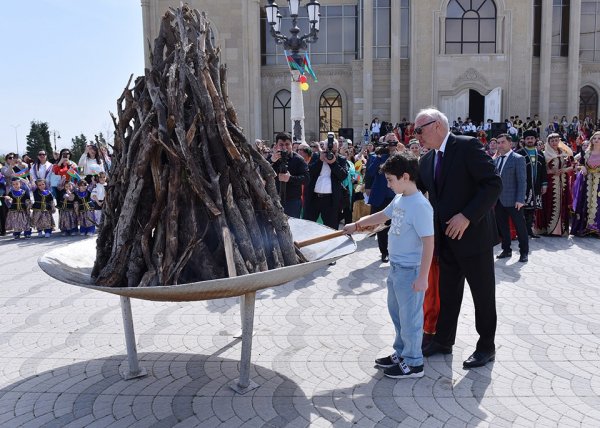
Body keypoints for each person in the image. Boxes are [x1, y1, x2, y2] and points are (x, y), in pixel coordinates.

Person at [415, 108, 502, 369]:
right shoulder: (426, 161)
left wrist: (467, 216)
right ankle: (443, 340)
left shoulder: (467, 146)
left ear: (437, 125)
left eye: (420, 130)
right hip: (445, 241)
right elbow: (416, 194)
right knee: (448, 293)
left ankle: (486, 345)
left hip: (473, 238)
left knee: (482, 294)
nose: (416, 135)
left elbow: (493, 184)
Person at [344, 153, 434, 378]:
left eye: (390, 180)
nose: (388, 184)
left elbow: (429, 242)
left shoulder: (421, 205)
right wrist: (356, 225)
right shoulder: (400, 198)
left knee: (411, 319)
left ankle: (414, 363)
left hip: (411, 271)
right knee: (397, 315)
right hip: (395, 269)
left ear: (405, 177)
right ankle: (402, 352)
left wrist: (423, 277)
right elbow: (382, 216)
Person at [493, 134, 529, 262]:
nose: (500, 145)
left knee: (520, 227)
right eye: (498, 142)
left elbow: (522, 180)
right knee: (503, 227)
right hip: (499, 201)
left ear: (510, 144)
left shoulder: (518, 159)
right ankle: (506, 250)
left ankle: (524, 252)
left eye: (503, 142)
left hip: (514, 201)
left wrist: (520, 199)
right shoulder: (496, 160)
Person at [304, 133, 349, 229]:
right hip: (314, 197)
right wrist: (320, 161)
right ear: (323, 147)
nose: (330, 152)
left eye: (333, 150)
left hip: (330, 199)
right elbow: (309, 172)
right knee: (308, 225)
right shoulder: (316, 156)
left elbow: (343, 176)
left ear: (336, 149)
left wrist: (333, 163)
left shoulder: (341, 159)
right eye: (328, 149)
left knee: (331, 227)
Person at [537, 134, 574, 236]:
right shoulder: (544, 154)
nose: (554, 143)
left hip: (563, 183)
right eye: (552, 141)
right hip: (550, 184)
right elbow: (542, 170)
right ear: (548, 142)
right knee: (550, 204)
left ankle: (561, 230)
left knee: (562, 204)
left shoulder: (564, 153)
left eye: (556, 140)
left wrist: (564, 170)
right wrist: (551, 171)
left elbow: (571, 167)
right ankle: (549, 229)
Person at [269, 133, 309, 218]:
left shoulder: (299, 160)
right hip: (275, 199)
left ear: (291, 145)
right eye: (281, 145)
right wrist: (272, 161)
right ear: (276, 145)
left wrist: (290, 178)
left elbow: (306, 179)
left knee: (293, 227)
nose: (284, 147)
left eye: (287, 144)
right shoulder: (272, 158)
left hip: (293, 201)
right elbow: (261, 172)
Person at [516, 130, 548, 238]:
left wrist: (544, 184)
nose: (530, 140)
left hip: (536, 186)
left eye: (532, 138)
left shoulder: (540, 154)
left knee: (532, 209)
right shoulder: (519, 153)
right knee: (522, 209)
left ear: (536, 139)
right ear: (524, 140)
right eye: (528, 139)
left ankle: (529, 230)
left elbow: (543, 170)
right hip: (523, 186)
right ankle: (522, 231)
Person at [571, 131, 600, 236]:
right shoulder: (586, 153)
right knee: (585, 203)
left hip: (599, 182)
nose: (596, 140)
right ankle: (585, 228)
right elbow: (577, 164)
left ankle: (597, 228)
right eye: (594, 138)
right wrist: (581, 167)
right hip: (587, 181)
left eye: (599, 138)